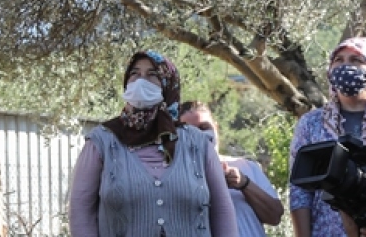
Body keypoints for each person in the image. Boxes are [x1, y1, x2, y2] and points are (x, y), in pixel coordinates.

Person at [68, 50, 237, 237]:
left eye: (152, 75)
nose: (141, 81)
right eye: (134, 74)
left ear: (168, 83)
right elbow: (81, 211)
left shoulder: (197, 143)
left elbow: (222, 210)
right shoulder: (102, 141)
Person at [289, 37, 366, 237]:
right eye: (339, 60)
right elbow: (300, 192)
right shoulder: (310, 123)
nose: (346, 66)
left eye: (356, 60)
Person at [178, 101, 283, 237]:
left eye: (204, 127)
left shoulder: (247, 167)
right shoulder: (174, 176)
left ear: (216, 127)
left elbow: (275, 216)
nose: (200, 135)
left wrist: (244, 184)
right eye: (191, 130)